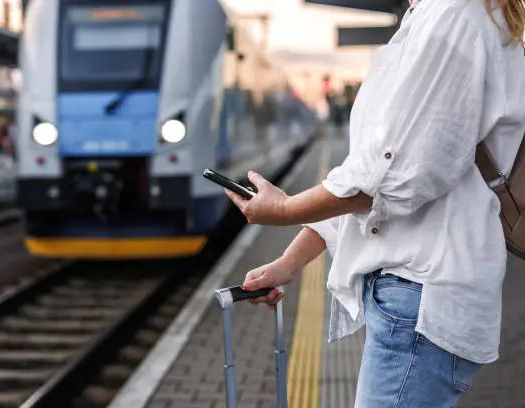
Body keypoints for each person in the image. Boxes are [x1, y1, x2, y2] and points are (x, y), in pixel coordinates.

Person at [224, 0, 525, 406]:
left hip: (420, 298)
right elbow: (370, 173)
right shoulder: (436, 14)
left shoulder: (453, 14)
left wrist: (285, 210)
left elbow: (394, 176)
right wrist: (290, 262)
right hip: (410, 295)